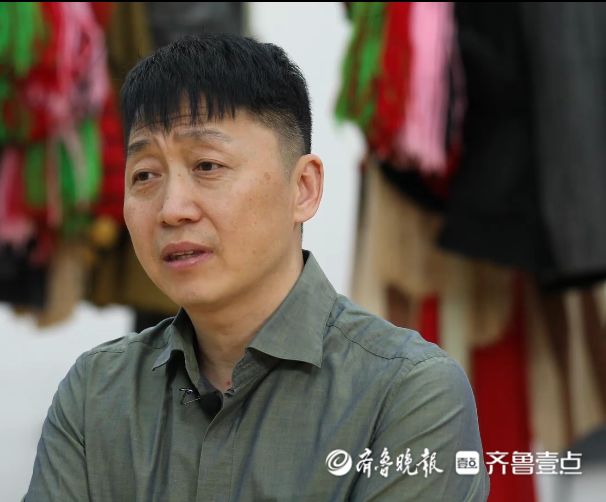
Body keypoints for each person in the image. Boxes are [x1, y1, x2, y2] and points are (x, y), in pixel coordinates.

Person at [24, 33, 489, 501]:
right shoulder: (96, 391)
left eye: (207, 165)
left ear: (303, 188)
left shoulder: (408, 391)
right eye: (144, 175)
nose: (172, 209)